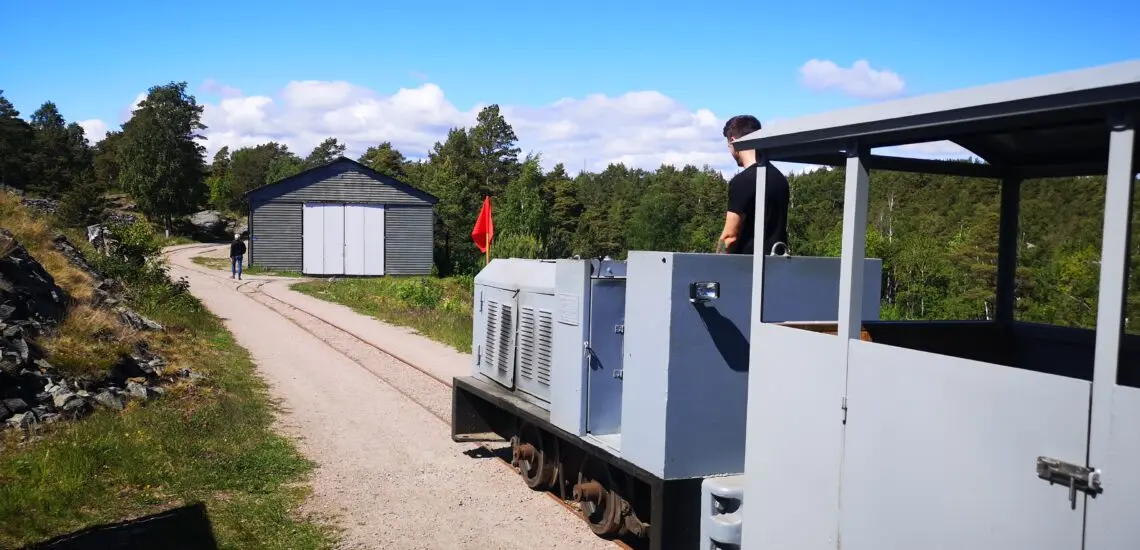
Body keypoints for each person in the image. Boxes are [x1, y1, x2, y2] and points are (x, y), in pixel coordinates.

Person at [718, 114, 790, 255]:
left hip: (747, 269)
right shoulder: (780, 179)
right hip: (777, 266)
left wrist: (717, 265)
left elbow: (729, 237)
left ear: (733, 141)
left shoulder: (743, 182)